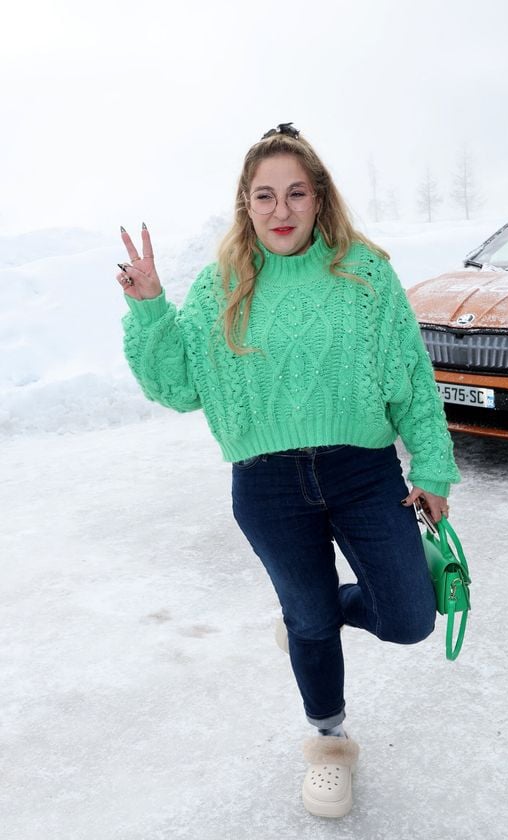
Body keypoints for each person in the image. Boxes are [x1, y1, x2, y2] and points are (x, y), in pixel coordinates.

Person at [116, 122, 461, 819]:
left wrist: (432, 465)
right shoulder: (223, 287)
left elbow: (411, 377)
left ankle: (314, 613)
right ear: (246, 204)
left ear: (318, 197)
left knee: (410, 616)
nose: (281, 210)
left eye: (295, 193)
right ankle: (329, 743)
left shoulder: (365, 273)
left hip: (363, 472)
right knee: (308, 622)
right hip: (268, 487)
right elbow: (178, 385)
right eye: (265, 196)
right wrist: (149, 303)